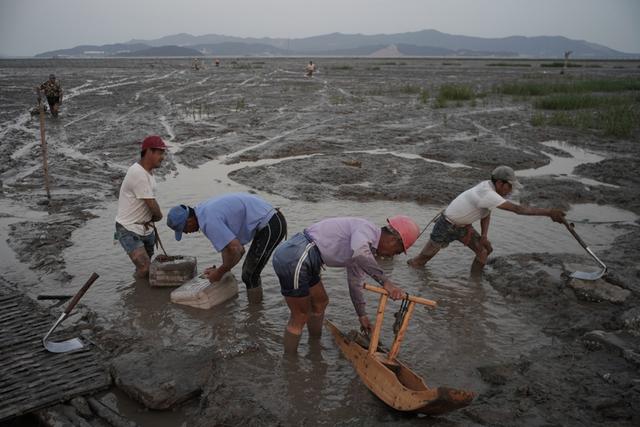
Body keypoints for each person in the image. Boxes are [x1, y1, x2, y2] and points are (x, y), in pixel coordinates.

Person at [272, 215, 420, 354]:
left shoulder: (364, 248)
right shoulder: (366, 229)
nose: (390, 256)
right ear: (394, 240)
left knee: (320, 302)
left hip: (308, 259)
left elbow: (355, 283)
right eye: (396, 252)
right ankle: (290, 364)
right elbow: (361, 254)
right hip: (298, 255)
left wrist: (362, 315)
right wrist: (386, 283)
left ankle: (314, 346)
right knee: (299, 316)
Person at [407, 165, 566, 273]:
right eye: (509, 186)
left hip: (463, 227)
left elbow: (486, 212)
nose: (510, 191)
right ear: (499, 182)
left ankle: (475, 285)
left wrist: (484, 236)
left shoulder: (490, 190)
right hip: (446, 225)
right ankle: (409, 272)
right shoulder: (487, 193)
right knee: (421, 261)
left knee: (483, 251)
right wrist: (549, 212)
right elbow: (518, 209)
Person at [166, 193, 287, 304]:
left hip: (271, 225)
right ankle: (256, 309)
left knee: (249, 275)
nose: (186, 233)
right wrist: (222, 269)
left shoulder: (208, 221)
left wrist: (220, 272)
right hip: (269, 222)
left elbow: (237, 249)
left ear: (189, 220)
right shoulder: (202, 211)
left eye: (184, 229)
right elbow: (229, 248)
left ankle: (255, 313)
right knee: (250, 272)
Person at [115, 135, 168, 279]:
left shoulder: (149, 171)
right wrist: (159, 217)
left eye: (163, 153)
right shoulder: (137, 173)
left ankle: (139, 292)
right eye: (160, 153)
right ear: (149, 152)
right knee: (145, 268)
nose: (163, 157)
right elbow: (152, 206)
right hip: (129, 228)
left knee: (146, 268)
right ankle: (138, 296)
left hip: (146, 228)